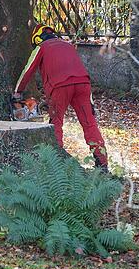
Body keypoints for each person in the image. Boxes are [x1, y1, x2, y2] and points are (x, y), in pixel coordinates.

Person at [13, 24, 108, 169]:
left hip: (59, 86)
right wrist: (91, 103)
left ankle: (56, 163)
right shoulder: (68, 45)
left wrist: (17, 92)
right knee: (89, 123)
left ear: (37, 39)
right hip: (83, 83)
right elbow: (77, 68)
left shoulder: (42, 47)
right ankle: (102, 164)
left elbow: (28, 70)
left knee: (56, 122)